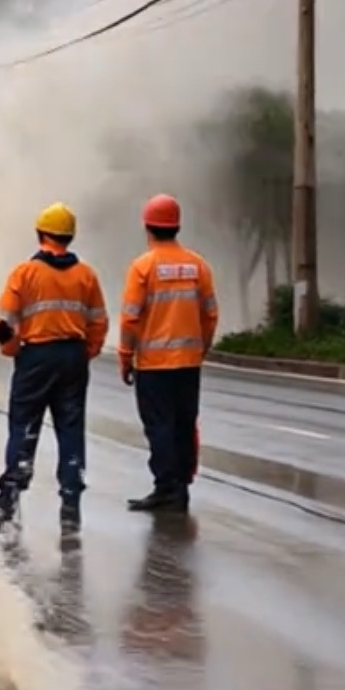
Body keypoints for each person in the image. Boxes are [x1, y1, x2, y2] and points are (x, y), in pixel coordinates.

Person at [0, 203, 108, 534]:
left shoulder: (25, 273)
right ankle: (70, 503)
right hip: (74, 358)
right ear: (70, 236)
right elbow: (99, 322)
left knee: (24, 426)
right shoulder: (86, 276)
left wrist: (12, 349)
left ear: (40, 234)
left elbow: (5, 323)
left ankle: (8, 499)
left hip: (36, 357)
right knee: (71, 428)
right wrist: (86, 352)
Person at [118, 194, 218, 513]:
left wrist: (125, 356)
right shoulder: (197, 265)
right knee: (185, 424)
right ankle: (182, 486)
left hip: (153, 366)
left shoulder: (142, 267)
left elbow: (130, 317)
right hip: (188, 364)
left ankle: (166, 488)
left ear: (148, 227)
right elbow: (210, 313)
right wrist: (200, 348)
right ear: (177, 226)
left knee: (159, 426)